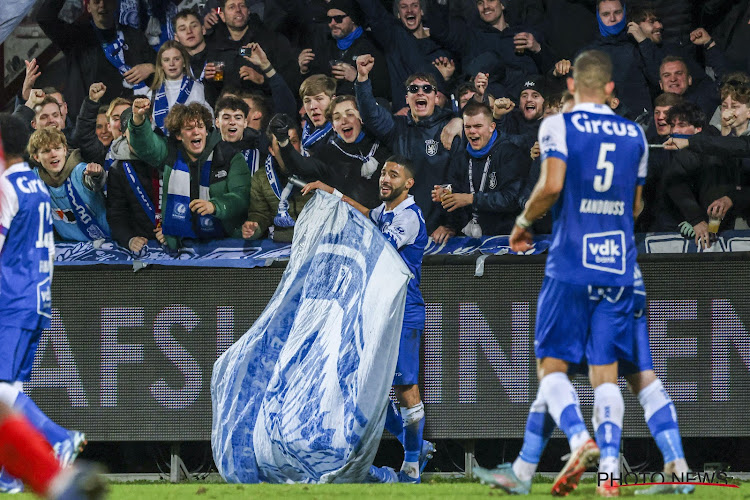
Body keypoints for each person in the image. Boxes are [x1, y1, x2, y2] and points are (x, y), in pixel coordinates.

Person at [475, 50, 647, 497]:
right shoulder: (634, 134)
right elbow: (636, 207)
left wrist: (522, 223)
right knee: (604, 374)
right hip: (618, 266)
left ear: (571, 85)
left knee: (552, 371)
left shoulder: (558, 124)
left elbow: (550, 186)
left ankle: (578, 438)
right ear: (610, 89)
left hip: (571, 262)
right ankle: (584, 475)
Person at [301, 154, 433, 484]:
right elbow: (365, 214)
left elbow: (379, 247)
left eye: (393, 174)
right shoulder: (385, 212)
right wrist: (330, 193)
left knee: (405, 387)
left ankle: (413, 464)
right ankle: (415, 445)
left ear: (408, 183)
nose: (385, 179)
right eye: (384, 173)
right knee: (367, 388)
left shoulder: (410, 218)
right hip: (378, 311)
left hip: (404, 311)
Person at [0, 114, 89, 494]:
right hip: (35, 299)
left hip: (11, 301)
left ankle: (57, 438)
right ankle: (10, 472)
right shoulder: (35, 186)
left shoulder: (5, 186)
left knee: (2, 392)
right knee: (10, 391)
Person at [355, 55, 461, 240]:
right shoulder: (397, 127)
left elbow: (460, 179)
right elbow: (370, 114)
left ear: (436, 97)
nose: (420, 92)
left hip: (440, 230)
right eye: (414, 89)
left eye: (427, 89)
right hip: (403, 227)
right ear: (407, 98)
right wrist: (363, 78)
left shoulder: (450, 128)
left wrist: (450, 224)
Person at [128, 99, 251, 250]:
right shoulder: (169, 153)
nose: (196, 132)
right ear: (179, 135)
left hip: (225, 244)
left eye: (200, 126)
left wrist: (215, 206)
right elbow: (145, 145)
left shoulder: (230, 157)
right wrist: (138, 119)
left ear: (207, 130)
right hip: (180, 245)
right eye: (189, 128)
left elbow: (242, 197)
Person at [37, 0, 156, 118]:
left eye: (107, 1)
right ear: (88, 7)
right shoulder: (75, 37)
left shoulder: (133, 36)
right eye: (96, 2)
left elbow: (164, 67)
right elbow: (44, 18)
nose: (102, 5)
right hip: (89, 121)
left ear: (115, 4)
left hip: (125, 118)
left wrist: (152, 67)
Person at [274, 96, 392, 209]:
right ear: (333, 127)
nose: (344, 121)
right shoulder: (327, 154)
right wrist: (283, 142)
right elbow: (300, 166)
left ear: (361, 118)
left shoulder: (383, 144)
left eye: (350, 114)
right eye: (337, 117)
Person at [432, 101, 525, 238]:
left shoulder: (510, 153)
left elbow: (510, 199)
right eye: (467, 127)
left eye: (478, 126)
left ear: (492, 127)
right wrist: (447, 196)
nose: (472, 131)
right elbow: (457, 198)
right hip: (470, 239)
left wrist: (471, 199)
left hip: (505, 239)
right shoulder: (461, 157)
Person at [355, 0, 454, 111]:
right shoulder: (394, 40)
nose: (409, 10)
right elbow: (376, 13)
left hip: (437, 119)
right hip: (405, 118)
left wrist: (447, 79)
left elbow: (453, 92)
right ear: (398, 14)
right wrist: (438, 76)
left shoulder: (441, 43)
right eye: (404, 7)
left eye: (414, 5)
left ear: (422, 11)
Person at [203, 0, 298, 100]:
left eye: (242, 5)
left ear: (248, 11)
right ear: (222, 15)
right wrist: (210, 82)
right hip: (230, 110)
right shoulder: (217, 48)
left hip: (265, 110)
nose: (238, 10)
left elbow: (290, 84)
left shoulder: (272, 41)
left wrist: (262, 80)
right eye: (232, 7)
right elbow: (214, 97)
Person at [27, 128, 109, 242]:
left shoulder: (80, 171)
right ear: (36, 157)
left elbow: (94, 182)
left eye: (57, 148)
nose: (53, 154)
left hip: (104, 243)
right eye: (46, 151)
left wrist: (97, 175)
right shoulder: (34, 179)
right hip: (69, 249)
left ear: (65, 150)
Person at [297, 0, 390, 100]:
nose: (332, 23)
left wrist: (356, 78)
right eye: (329, 19)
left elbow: (383, 91)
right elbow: (315, 86)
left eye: (338, 19)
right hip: (331, 109)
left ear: (353, 18)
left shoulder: (371, 45)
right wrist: (304, 70)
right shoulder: (326, 46)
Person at [578, 0, 655, 117]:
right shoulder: (587, 52)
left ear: (624, 12)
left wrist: (643, 42)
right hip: (602, 122)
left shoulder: (639, 44)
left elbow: (657, 79)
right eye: (606, 14)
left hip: (639, 122)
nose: (612, 19)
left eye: (617, 12)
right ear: (598, 16)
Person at [243, 115, 312, 242]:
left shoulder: (316, 169)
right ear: (271, 150)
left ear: (300, 144)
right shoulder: (261, 178)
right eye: (280, 143)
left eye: (293, 141)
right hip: (282, 244)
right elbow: (260, 214)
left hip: (315, 241)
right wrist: (254, 227)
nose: (287, 147)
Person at [105, 108, 161, 253]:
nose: (140, 139)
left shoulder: (169, 157)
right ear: (124, 133)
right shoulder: (118, 170)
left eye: (144, 132)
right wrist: (129, 239)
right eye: (134, 133)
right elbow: (117, 214)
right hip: (144, 243)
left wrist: (175, 232)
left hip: (176, 239)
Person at [137, 40, 210, 136]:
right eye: (166, 60)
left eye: (176, 59)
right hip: (161, 146)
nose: (172, 63)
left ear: (184, 62)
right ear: (161, 65)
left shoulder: (198, 88)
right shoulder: (151, 94)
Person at [72, 85, 131, 167]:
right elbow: (84, 134)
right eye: (99, 126)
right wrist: (92, 101)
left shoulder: (142, 149)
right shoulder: (99, 155)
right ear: (110, 125)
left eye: (125, 118)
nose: (104, 131)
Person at [214, 95, 263, 175]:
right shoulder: (207, 152)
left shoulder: (259, 155)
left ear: (245, 123)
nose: (232, 122)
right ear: (217, 122)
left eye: (238, 118)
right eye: (226, 118)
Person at [299, 75, 337, 156]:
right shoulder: (305, 131)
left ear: (333, 100)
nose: (312, 106)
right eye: (307, 101)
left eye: (319, 99)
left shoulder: (340, 133)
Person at [173, 9, 209, 84]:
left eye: (194, 26)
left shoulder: (220, 54)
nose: (189, 31)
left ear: (203, 29)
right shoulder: (176, 66)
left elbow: (240, 51)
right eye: (183, 29)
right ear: (176, 38)